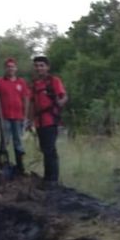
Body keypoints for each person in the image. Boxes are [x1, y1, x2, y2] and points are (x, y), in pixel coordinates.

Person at [30, 55, 68, 187]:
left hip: (50, 120)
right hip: (39, 121)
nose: (39, 68)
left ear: (47, 67)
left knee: (50, 150)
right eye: (36, 66)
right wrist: (30, 120)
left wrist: (60, 103)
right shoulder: (35, 83)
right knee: (45, 149)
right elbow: (32, 103)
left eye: (41, 65)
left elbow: (63, 97)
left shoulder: (54, 81)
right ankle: (48, 178)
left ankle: (52, 180)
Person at [0, 57, 30, 174]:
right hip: (5, 117)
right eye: (8, 67)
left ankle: (20, 166)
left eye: (12, 66)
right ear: (5, 69)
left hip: (18, 117)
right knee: (5, 140)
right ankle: (3, 163)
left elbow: (26, 98)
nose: (10, 69)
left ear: (16, 68)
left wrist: (26, 115)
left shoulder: (21, 82)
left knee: (18, 140)